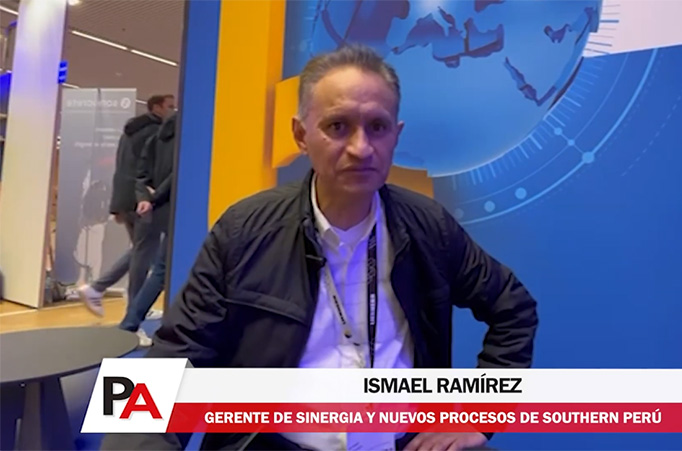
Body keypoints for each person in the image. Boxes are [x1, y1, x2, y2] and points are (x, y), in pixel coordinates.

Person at [102, 45, 538, 451]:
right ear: (300, 134)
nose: (361, 148)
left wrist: (480, 414)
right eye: (337, 126)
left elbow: (513, 309)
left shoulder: (428, 227)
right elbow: (173, 355)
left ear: (396, 135)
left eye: (378, 127)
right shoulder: (244, 230)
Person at [78, 95, 175, 331]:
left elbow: (126, 167)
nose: (172, 111)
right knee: (145, 254)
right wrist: (150, 196)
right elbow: (149, 170)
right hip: (143, 199)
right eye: (169, 106)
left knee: (142, 250)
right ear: (156, 107)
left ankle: (110, 293)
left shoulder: (131, 131)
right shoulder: (156, 133)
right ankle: (131, 310)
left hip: (128, 196)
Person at [118, 111, 179, 345]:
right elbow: (177, 175)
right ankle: (132, 323)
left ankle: (130, 323)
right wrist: (153, 197)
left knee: (159, 270)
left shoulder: (156, 138)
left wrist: (145, 198)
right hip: (182, 210)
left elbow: (141, 174)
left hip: (160, 211)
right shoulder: (189, 139)